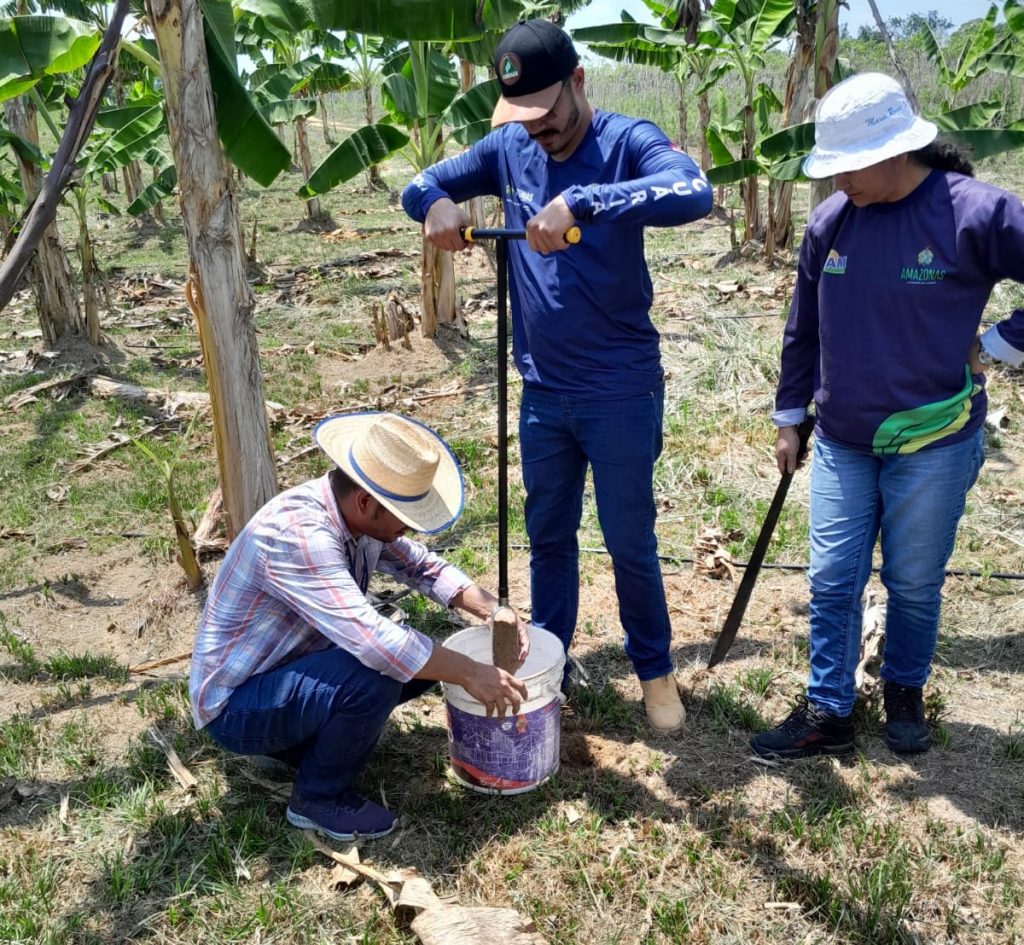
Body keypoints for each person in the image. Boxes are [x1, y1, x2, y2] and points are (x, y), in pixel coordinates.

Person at [401, 19, 713, 733]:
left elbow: (693, 190)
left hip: (620, 388)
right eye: (523, 119)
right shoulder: (510, 146)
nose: (538, 133)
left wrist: (586, 201)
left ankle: (654, 670)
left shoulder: (626, 141)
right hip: (542, 390)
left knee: (629, 535)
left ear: (578, 82)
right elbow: (421, 182)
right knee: (548, 535)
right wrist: (436, 205)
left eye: (547, 115)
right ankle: (554, 654)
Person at [751, 72, 1024, 761]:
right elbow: (801, 330)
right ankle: (828, 709)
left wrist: (996, 344)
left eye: (846, 166)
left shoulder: (974, 213)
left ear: (895, 151)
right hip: (844, 438)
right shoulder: (831, 223)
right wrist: (790, 418)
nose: (836, 181)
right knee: (832, 577)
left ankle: (903, 688)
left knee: (913, 580)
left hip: (934, 441)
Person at [189, 412, 530, 840]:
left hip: (283, 673)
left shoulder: (358, 520)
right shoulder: (302, 535)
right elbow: (375, 643)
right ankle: (318, 798)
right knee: (380, 673)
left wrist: (491, 610)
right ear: (366, 502)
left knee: (425, 659)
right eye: (403, 516)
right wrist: (471, 672)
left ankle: (297, 746)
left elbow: (422, 567)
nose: (406, 528)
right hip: (234, 706)